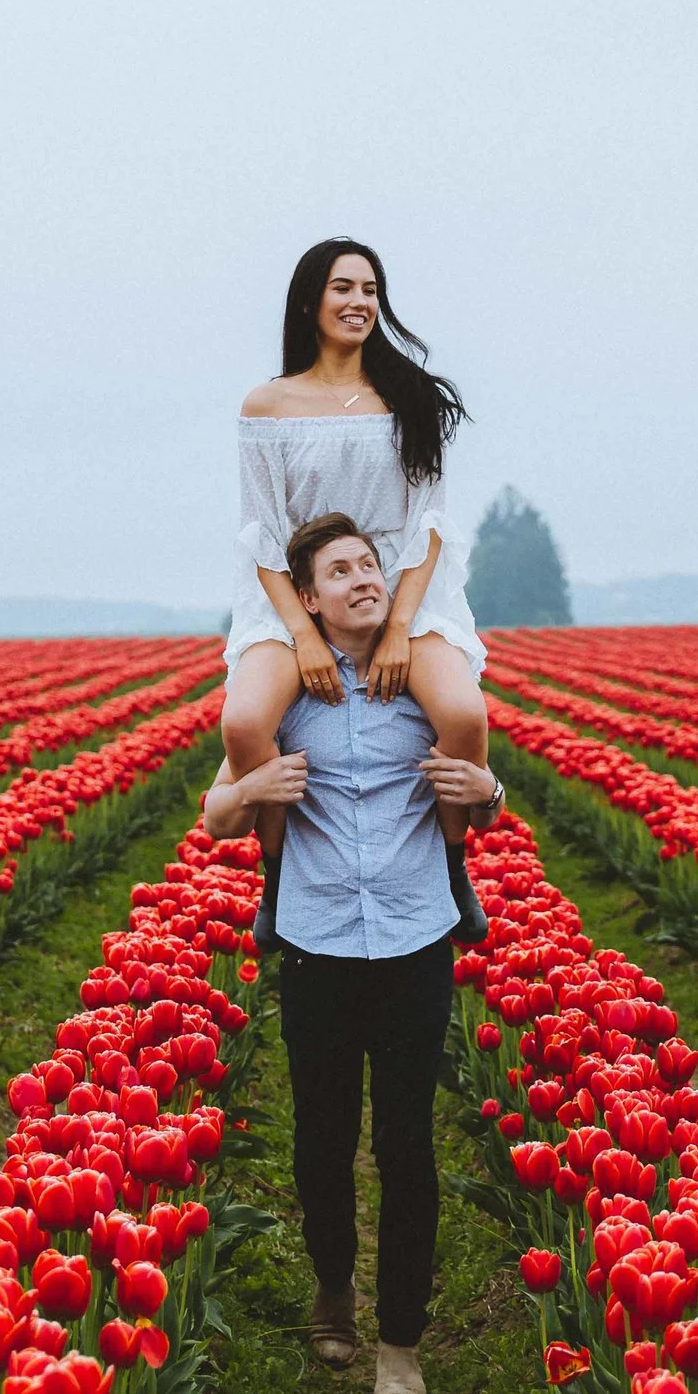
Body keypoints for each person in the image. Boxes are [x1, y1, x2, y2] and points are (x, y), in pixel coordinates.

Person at [204, 512, 504, 1394]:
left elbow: (483, 786)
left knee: (407, 1146)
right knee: (323, 1140)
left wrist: (489, 792)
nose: (363, 578)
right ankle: (333, 1286)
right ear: (307, 599)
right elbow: (216, 813)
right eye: (340, 570)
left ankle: (400, 1343)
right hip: (318, 943)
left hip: (414, 940)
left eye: (370, 564)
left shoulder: (427, 681)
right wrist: (252, 789)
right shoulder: (288, 691)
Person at [222, 237, 492, 956]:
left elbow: (429, 526)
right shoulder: (268, 405)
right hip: (297, 594)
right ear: (310, 300)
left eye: (370, 290)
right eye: (343, 288)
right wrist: (304, 635)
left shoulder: (411, 396)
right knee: (245, 722)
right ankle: (277, 877)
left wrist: (400, 627)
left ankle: (453, 864)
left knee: (462, 713)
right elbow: (262, 535)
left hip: (398, 589)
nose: (359, 302)